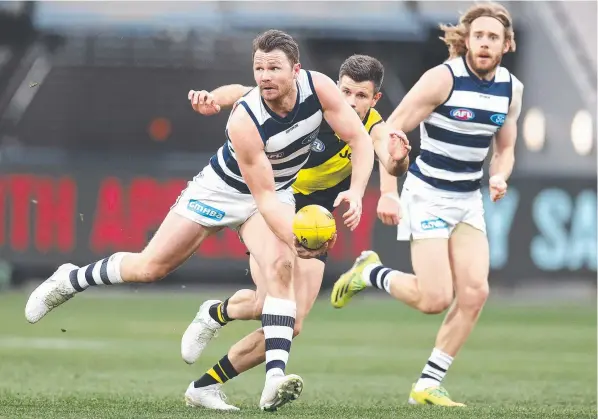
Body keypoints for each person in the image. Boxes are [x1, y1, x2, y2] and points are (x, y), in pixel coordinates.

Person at [24, 29, 378, 411]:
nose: (264, 76)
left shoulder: (319, 89)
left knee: (280, 266)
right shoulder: (245, 121)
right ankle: (70, 278)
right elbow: (261, 195)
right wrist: (297, 237)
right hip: (221, 190)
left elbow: (360, 140)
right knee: (150, 267)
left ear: (296, 70)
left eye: (273, 67)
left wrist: (356, 192)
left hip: (275, 196)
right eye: (258, 67)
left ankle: (274, 378)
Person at [180, 55, 411, 410]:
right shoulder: (313, 107)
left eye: (361, 96)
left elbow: (387, 155)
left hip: (315, 226)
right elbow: (242, 93)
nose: (351, 102)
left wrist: (397, 162)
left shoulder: (373, 127)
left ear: (375, 100)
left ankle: (204, 383)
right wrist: (213, 97)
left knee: (291, 323)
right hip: (274, 211)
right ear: (336, 87)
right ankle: (215, 315)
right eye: (345, 91)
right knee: (268, 304)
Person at [330, 2, 524, 407]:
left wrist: (500, 174)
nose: (485, 43)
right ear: (466, 40)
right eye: (479, 35)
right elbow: (391, 130)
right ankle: (371, 273)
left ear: (507, 44)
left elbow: (505, 149)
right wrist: (388, 191)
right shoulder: (442, 79)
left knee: (475, 293)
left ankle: (427, 384)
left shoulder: (511, 89)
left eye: (493, 37)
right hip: (428, 193)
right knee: (435, 300)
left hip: (468, 199)